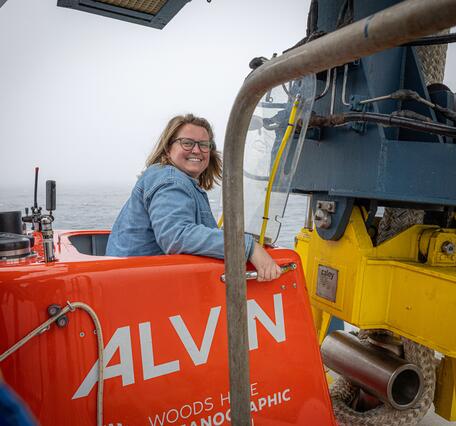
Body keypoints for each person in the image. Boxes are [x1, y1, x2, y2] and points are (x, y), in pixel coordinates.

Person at [106, 114, 281, 281]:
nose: (197, 150)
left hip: (135, 278)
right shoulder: (170, 180)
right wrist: (248, 247)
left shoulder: (175, 179)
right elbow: (176, 235)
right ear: (168, 148)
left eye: (204, 145)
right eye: (187, 143)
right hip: (140, 286)